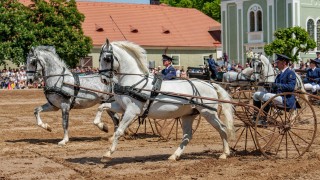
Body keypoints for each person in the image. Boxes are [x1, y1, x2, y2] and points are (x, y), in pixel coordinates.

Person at [252, 54, 297, 125]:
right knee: (256, 95)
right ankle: (256, 115)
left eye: (278, 62)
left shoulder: (290, 73)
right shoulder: (279, 74)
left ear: (284, 63)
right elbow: (274, 87)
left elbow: (291, 87)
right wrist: (266, 85)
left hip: (285, 99)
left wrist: (276, 85)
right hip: (277, 96)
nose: (276, 64)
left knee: (267, 96)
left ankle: (264, 119)